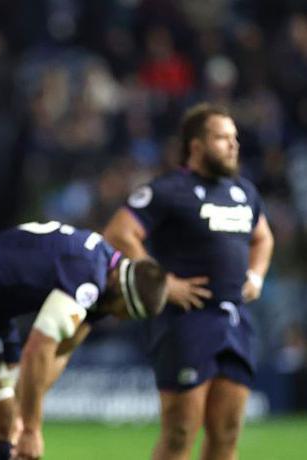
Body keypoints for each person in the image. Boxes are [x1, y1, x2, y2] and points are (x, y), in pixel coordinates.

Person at [103, 103, 274, 460]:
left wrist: (256, 275)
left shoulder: (244, 192)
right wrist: (162, 282)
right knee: (180, 432)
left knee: (226, 434)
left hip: (235, 320)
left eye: (234, 137)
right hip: (187, 321)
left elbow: (264, 238)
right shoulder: (169, 189)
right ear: (196, 145)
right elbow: (120, 232)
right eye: (222, 137)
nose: (233, 144)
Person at [0, 220, 169, 460]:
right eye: (125, 311)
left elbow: (61, 351)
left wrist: (25, 415)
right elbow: (38, 348)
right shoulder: (88, 275)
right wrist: (32, 430)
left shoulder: (106, 277)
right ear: (122, 289)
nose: (119, 318)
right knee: (0, 423)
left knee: (12, 422)